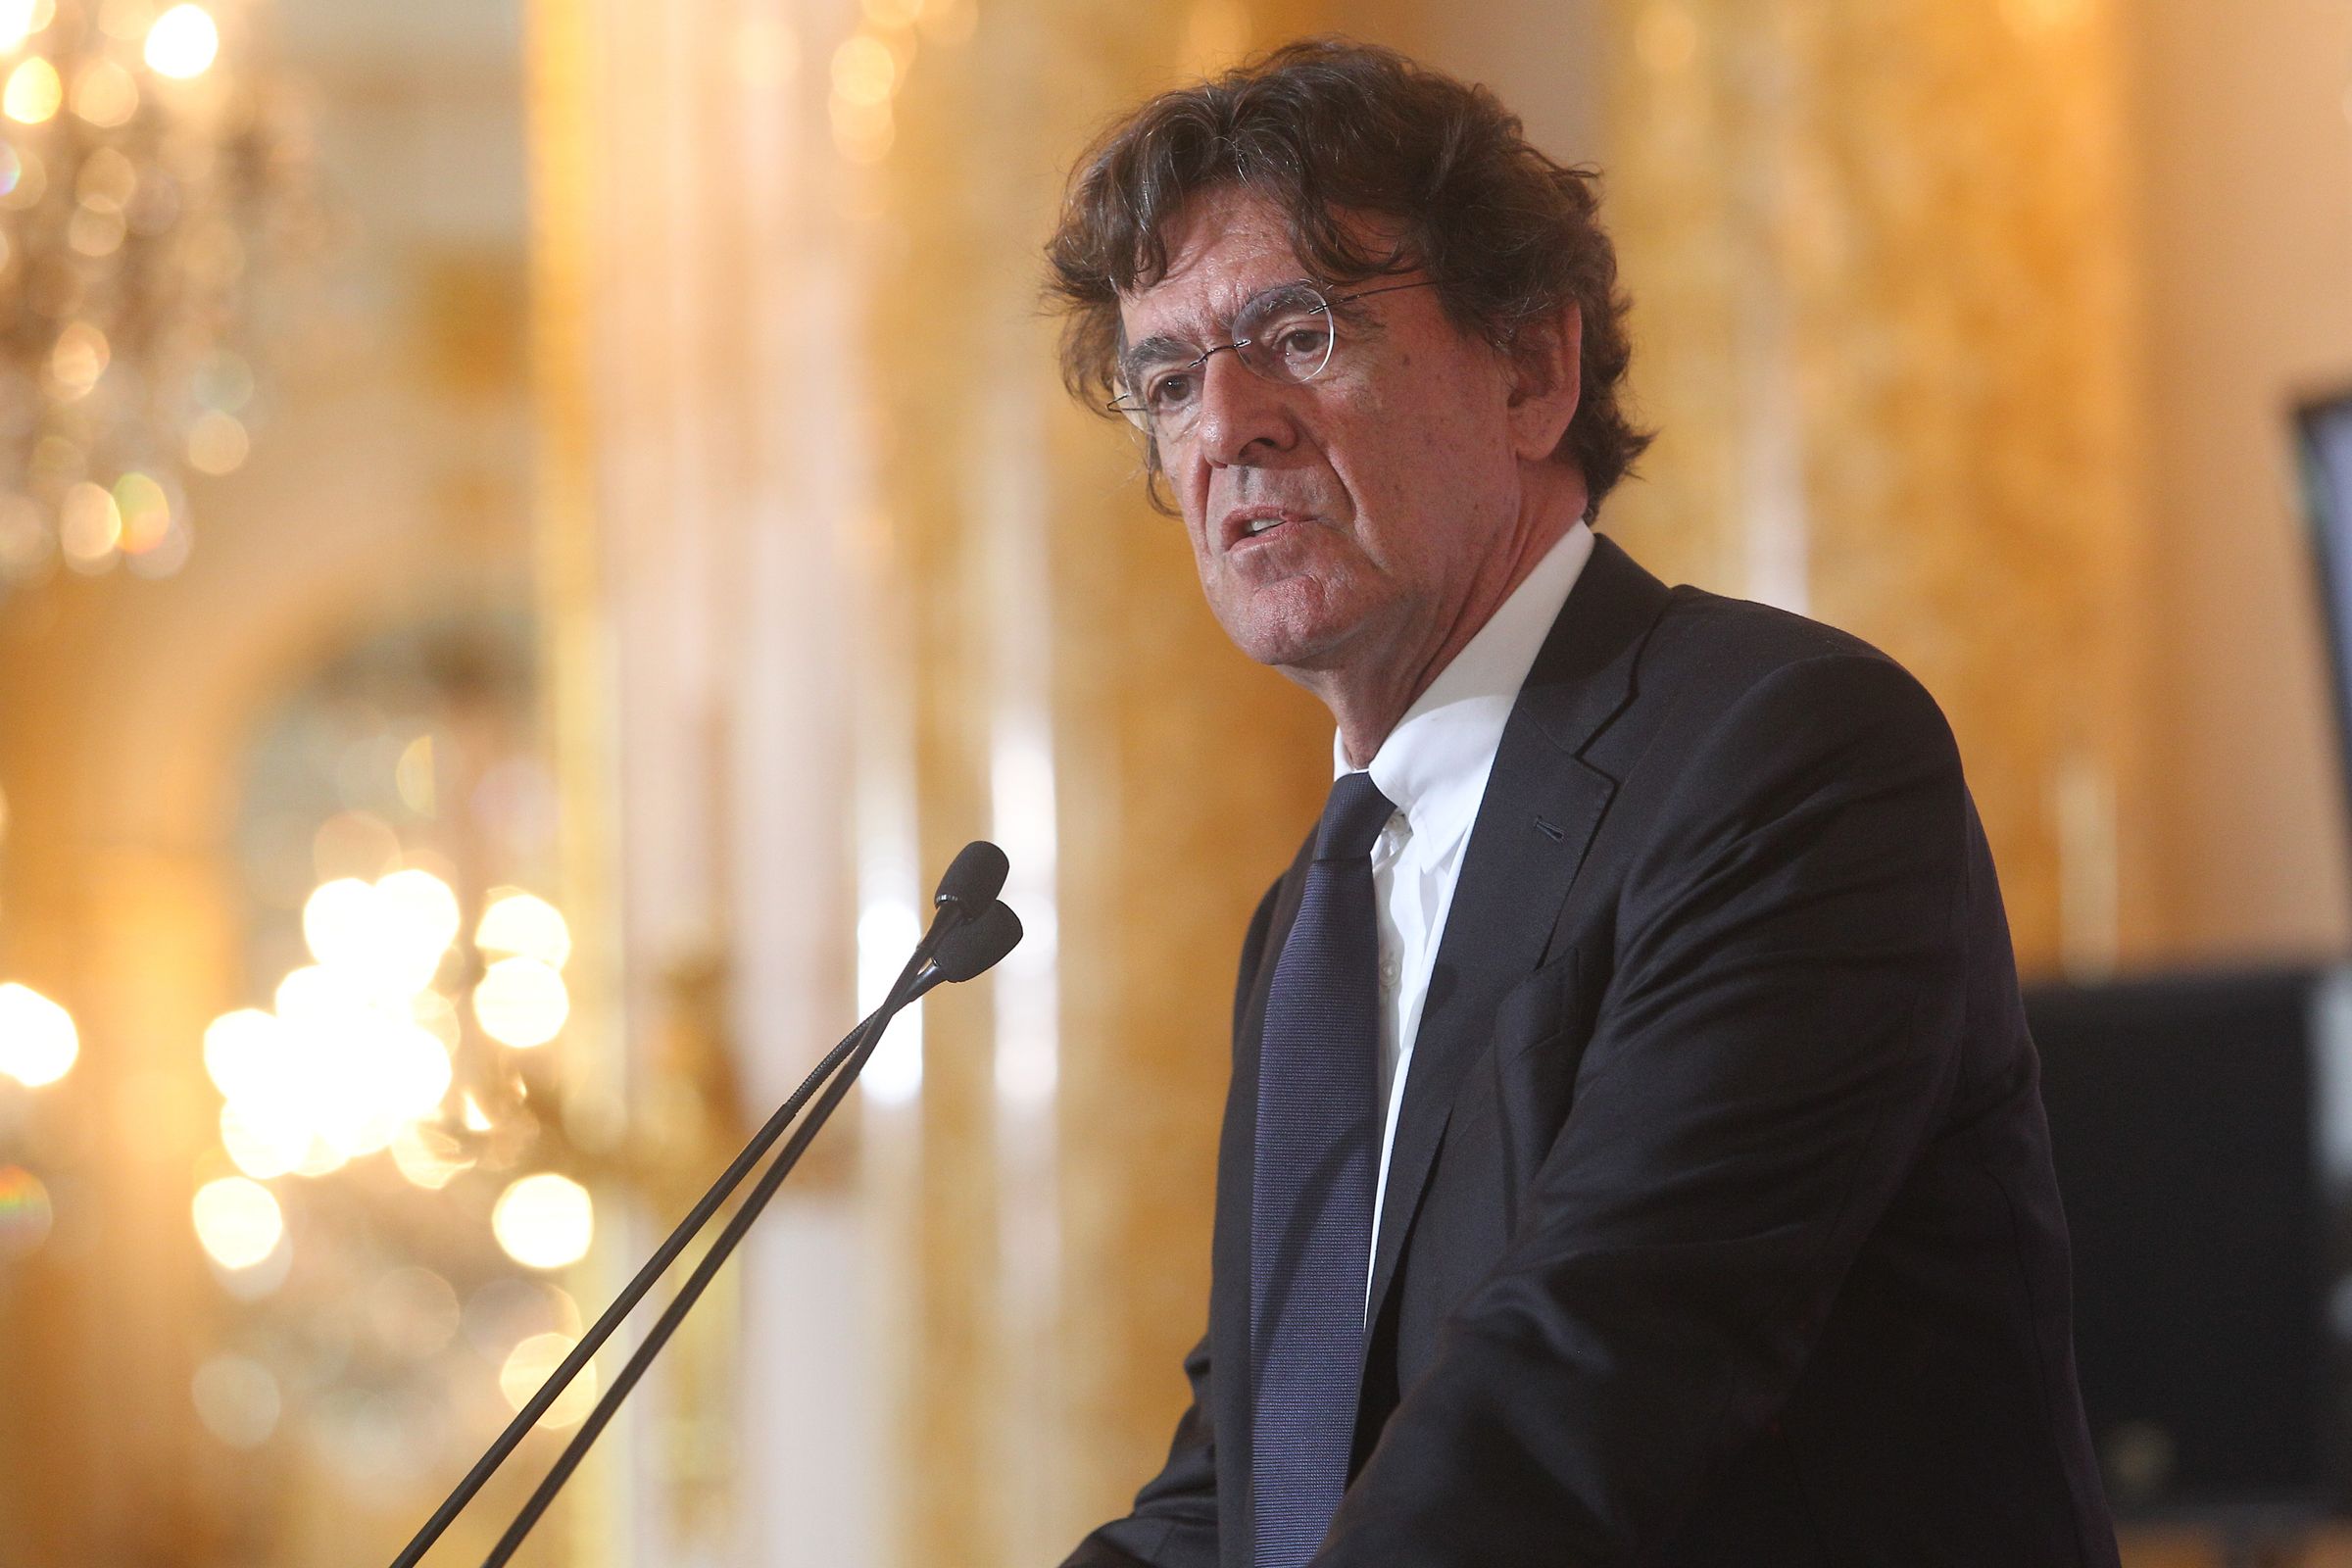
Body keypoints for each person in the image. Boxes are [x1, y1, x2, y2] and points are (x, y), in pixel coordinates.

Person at [1044, 37, 2120, 1568]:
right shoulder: (1311, 918)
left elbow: (1577, 1384)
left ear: (1533, 371)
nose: (1224, 427)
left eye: (1296, 332)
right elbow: (1253, 1481)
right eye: (1167, 380)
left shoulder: (1786, 757)